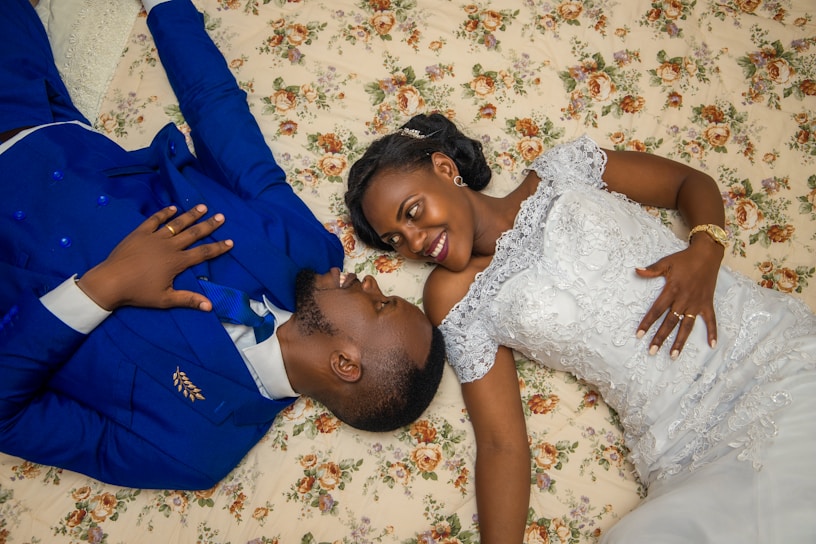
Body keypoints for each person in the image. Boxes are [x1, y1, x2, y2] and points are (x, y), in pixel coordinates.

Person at [0, 0, 445, 491]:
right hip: (28, 104)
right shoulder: (310, 252)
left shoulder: (192, 449)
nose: (371, 280)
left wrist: (103, 289)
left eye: (381, 306)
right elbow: (221, 120)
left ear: (345, 363)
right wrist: (168, 8)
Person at [345, 113, 816, 543]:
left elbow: (687, 183)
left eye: (412, 213)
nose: (416, 242)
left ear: (446, 170)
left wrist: (704, 252)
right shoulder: (453, 297)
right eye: (396, 240)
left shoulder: (565, 170)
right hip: (685, 442)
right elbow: (501, 443)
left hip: (770, 357)